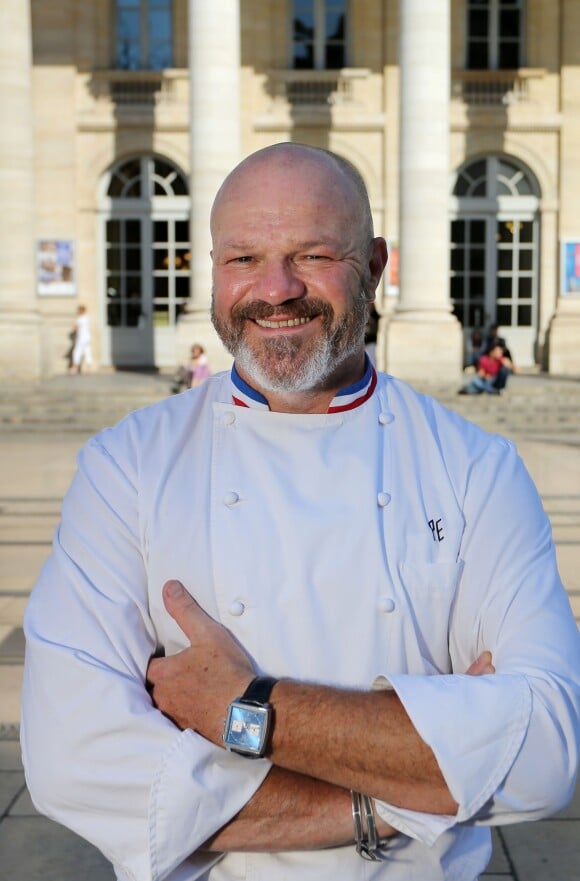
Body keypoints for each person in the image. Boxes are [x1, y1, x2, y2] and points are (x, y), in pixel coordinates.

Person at [21, 144, 580, 881]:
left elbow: (545, 757)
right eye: (244, 257)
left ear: (376, 267)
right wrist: (397, 796)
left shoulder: (476, 469)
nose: (276, 290)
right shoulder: (128, 464)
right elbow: (72, 760)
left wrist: (244, 706)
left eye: (312, 254)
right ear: (211, 270)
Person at [69, 304, 93, 374]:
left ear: (81, 310)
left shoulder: (80, 319)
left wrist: (75, 328)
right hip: (87, 337)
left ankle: (75, 367)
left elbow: (75, 328)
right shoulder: (87, 318)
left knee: (77, 351)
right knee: (87, 351)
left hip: (82, 337)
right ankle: (89, 368)